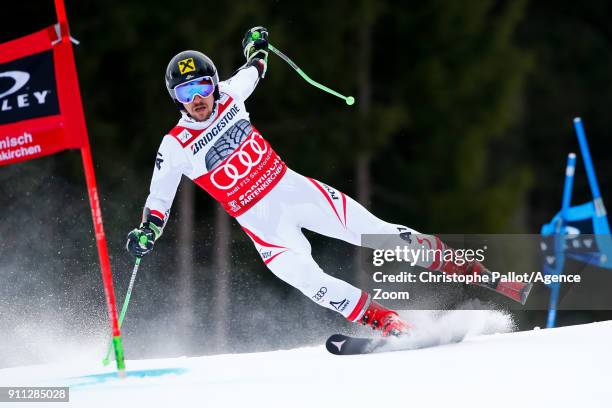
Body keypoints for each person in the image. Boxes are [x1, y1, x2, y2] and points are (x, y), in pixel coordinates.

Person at [127, 26, 530, 337]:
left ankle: (478, 272)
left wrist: (257, 45)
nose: (197, 98)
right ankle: (389, 324)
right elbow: (158, 201)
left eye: (201, 86)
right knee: (309, 281)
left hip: (297, 192)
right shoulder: (175, 145)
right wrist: (147, 232)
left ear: (213, 84)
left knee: (382, 235)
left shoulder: (232, 95)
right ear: (175, 98)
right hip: (266, 229)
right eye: (185, 91)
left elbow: (256, 66)